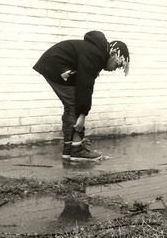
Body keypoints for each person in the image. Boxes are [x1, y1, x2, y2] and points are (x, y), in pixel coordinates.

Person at [33, 31, 130, 161]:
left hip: (54, 65)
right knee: (75, 105)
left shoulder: (95, 52)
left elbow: (83, 84)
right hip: (57, 67)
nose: (115, 69)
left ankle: (69, 149)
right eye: (118, 64)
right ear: (113, 54)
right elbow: (85, 85)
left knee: (71, 106)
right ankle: (77, 150)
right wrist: (83, 114)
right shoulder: (95, 55)